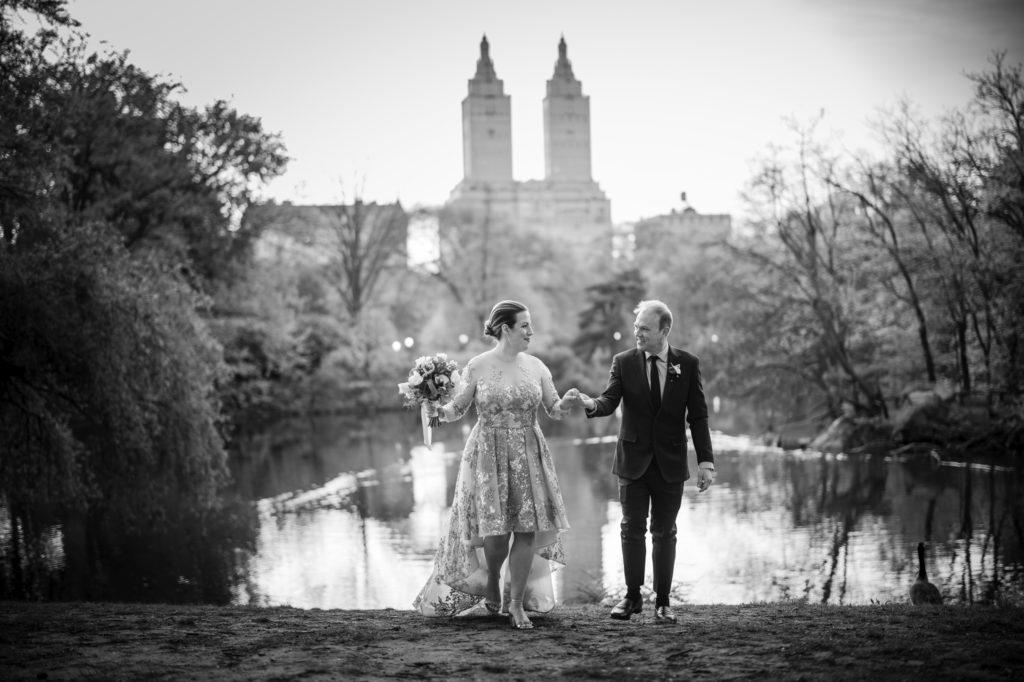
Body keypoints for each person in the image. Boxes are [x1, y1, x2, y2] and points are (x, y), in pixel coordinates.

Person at [413, 300, 577, 629]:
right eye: (525, 326)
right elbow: (457, 408)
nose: (531, 331)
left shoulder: (537, 367)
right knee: (496, 533)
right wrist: (436, 412)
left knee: (526, 528)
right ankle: (491, 583)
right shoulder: (477, 366)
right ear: (505, 329)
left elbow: (554, 409)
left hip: (528, 451)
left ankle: (516, 603)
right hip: (487, 454)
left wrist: (567, 403)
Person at [573, 299, 715, 624]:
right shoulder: (623, 362)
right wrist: (590, 403)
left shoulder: (688, 364)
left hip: (671, 462)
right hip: (632, 461)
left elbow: (699, 415)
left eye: (645, 329)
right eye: (636, 327)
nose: (637, 333)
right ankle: (632, 597)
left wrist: (706, 461)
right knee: (630, 529)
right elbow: (609, 400)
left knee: (665, 532)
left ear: (665, 331)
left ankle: (663, 603)